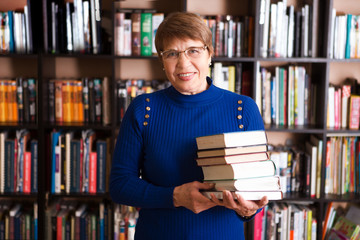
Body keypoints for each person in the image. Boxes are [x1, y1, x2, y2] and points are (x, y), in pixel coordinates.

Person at [110, 12, 268, 240]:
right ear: (162, 61)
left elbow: (256, 189)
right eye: (172, 53)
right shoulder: (143, 109)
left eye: (194, 50)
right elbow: (120, 185)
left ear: (210, 54)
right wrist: (175, 196)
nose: (184, 63)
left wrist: (249, 210)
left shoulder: (243, 109)